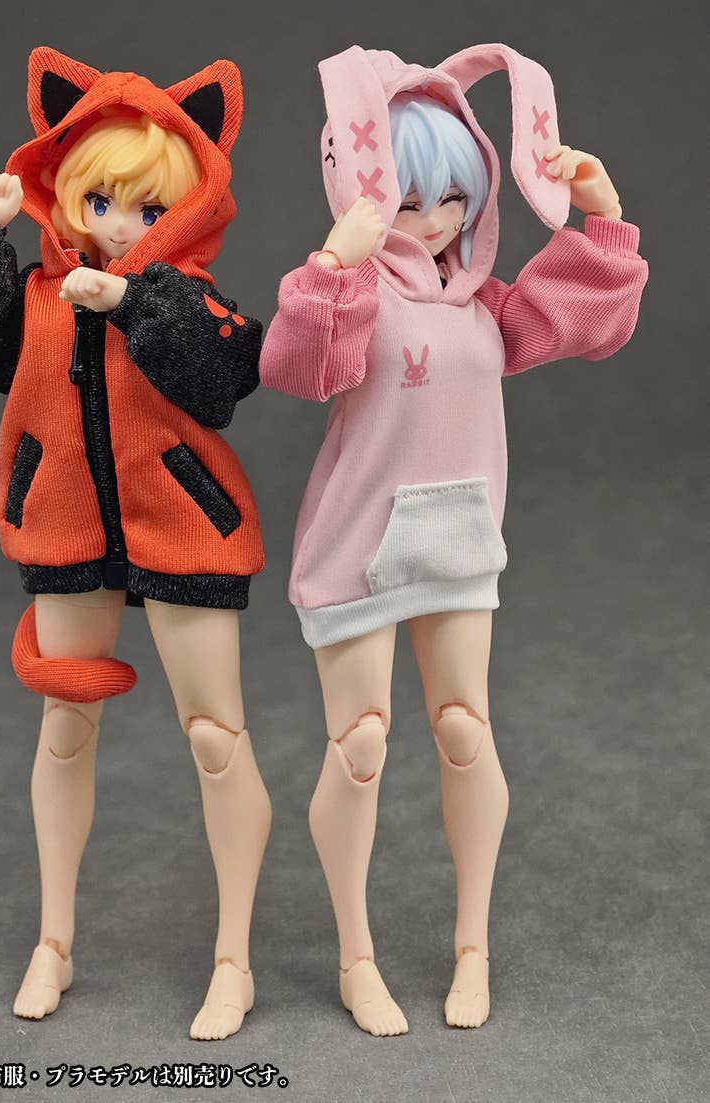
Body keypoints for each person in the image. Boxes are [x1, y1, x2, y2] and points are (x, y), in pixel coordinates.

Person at [259, 44, 648, 1034]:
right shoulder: (359, 292)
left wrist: (603, 216)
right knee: (360, 744)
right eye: (409, 196)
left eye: (454, 196)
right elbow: (298, 365)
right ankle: (356, 955)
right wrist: (333, 264)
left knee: (467, 730)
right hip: (358, 544)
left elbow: (584, 321)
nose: (434, 219)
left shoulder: (482, 302)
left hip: (462, 541)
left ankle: (473, 945)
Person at [0, 47, 271, 1040]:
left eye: (148, 209)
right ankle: (54, 938)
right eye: (100, 201)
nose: (117, 225)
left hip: (186, 526)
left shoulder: (193, 298)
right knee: (65, 725)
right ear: (63, 194)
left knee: (216, 735)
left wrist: (137, 301)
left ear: (189, 208)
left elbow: (227, 375)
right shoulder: (37, 300)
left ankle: (234, 955)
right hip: (66, 520)